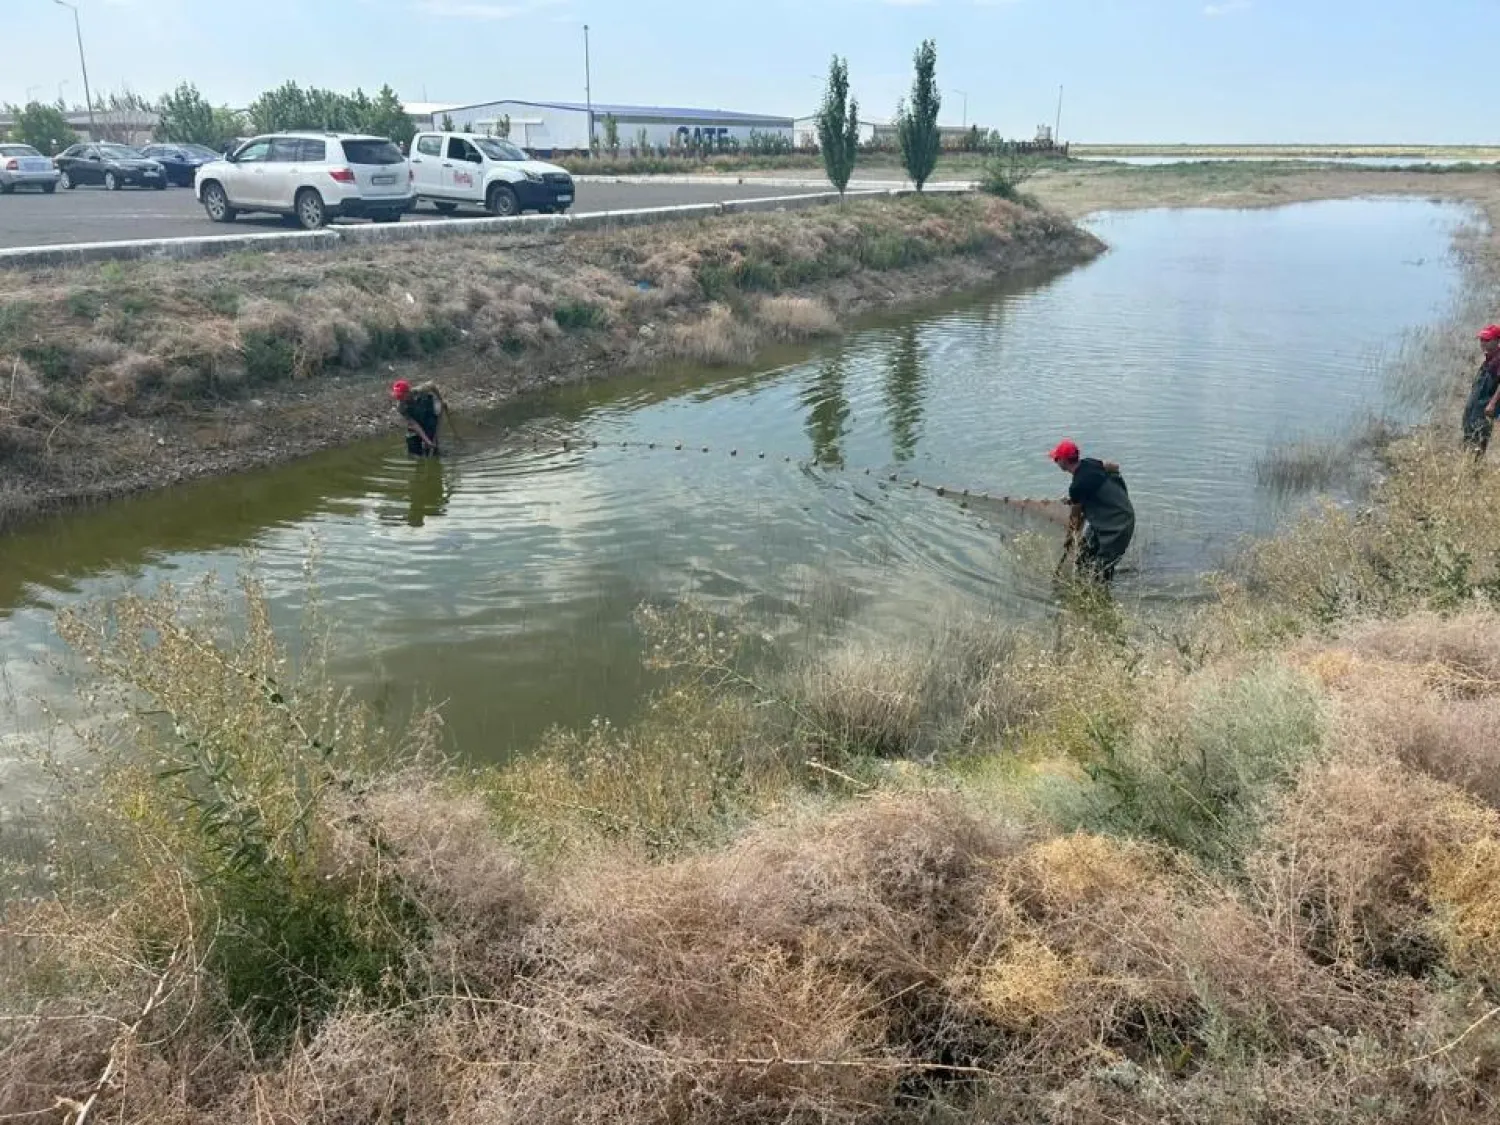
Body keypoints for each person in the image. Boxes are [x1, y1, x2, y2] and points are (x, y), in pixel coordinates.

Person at [1049, 439, 1136, 583]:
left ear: (1064, 461)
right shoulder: (1090, 463)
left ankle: (1103, 595)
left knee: (1102, 570)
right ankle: (1082, 584)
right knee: (1083, 557)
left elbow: (1076, 519)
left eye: (1056, 458)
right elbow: (1114, 466)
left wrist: (1069, 538)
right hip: (1109, 516)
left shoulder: (1077, 486)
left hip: (1119, 524)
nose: (1055, 461)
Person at [1461, 324, 1500, 458]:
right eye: (1481, 339)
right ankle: (1466, 467)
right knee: (1468, 438)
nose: (1482, 343)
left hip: (1485, 408)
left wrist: (1492, 404)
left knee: (1479, 440)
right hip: (1475, 407)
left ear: (1497, 340)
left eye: (1487, 340)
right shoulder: (1489, 358)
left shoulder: (1499, 359)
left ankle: (1474, 469)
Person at [392, 379, 448, 457]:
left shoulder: (420, 390)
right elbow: (414, 424)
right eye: (398, 397)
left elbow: (432, 385)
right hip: (416, 421)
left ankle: (435, 453)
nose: (400, 399)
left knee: (431, 447)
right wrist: (426, 440)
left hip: (428, 416)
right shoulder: (401, 407)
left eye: (402, 396)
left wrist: (441, 400)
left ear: (408, 392)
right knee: (412, 445)